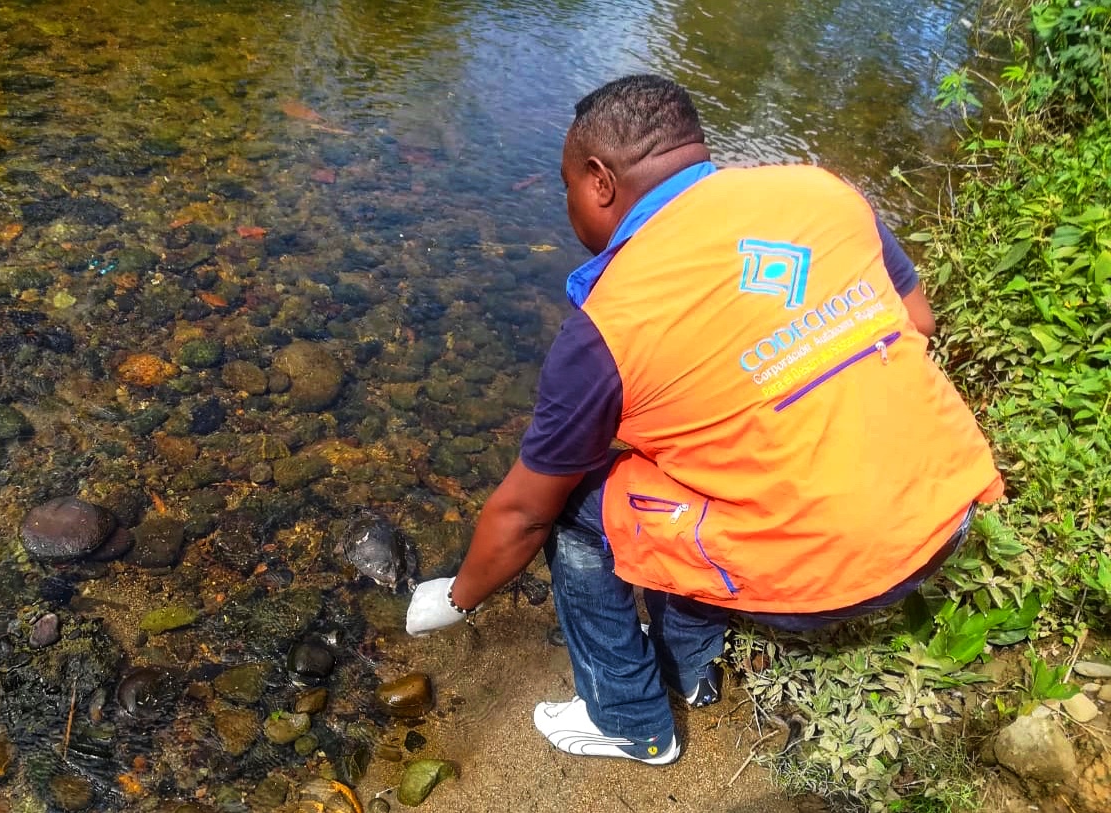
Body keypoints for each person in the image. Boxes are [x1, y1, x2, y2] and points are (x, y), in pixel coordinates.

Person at [404, 74, 1003, 766]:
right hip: (950, 509)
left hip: (846, 574)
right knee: (675, 462)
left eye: (566, 185)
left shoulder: (608, 324)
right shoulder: (821, 193)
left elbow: (521, 516)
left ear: (599, 181)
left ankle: (629, 717)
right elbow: (917, 322)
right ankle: (691, 668)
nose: (569, 205)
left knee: (574, 503)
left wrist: (457, 597)